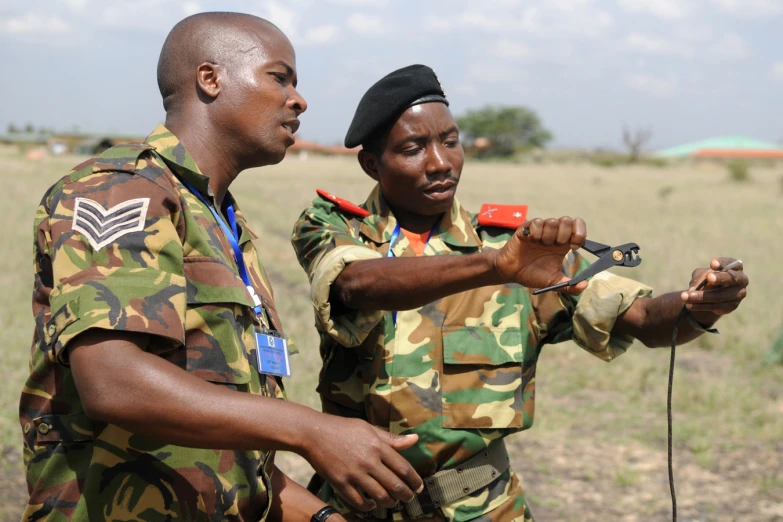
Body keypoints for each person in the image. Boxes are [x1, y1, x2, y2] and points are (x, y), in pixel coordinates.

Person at [290, 64, 749, 522]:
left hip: (484, 508)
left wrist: (701, 303)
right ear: (373, 164)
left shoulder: (517, 250)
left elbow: (645, 320)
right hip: (353, 509)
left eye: (450, 141)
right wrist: (493, 266)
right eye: (413, 148)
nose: (440, 162)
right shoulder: (335, 227)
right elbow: (355, 284)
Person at [19, 14, 426, 522]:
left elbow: (224, 455)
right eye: (280, 77)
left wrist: (323, 517)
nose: (299, 100)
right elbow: (113, 381)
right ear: (210, 79)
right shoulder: (125, 189)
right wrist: (310, 430)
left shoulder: (223, 223)